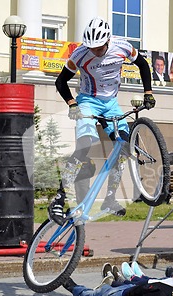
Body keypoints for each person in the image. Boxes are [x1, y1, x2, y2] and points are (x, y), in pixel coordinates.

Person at [50, 17, 156, 221]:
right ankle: (60, 197)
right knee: (84, 145)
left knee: (124, 146)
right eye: (92, 48)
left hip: (111, 103)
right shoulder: (80, 54)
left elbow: (143, 65)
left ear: (107, 41)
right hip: (88, 100)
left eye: (99, 47)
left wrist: (148, 92)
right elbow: (61, 81)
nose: (95, 51)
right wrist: (72, 104)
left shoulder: (123, 47)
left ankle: (110, 198)